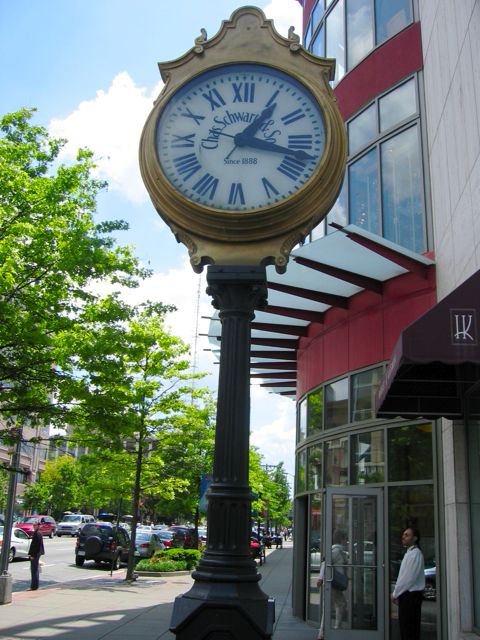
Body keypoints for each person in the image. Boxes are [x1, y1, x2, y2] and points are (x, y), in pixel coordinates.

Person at [391, 527, 425, 640]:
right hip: (407, 595)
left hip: (411, 596)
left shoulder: (415, 554)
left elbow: (408, 578)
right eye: (404, 534)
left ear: (415, 538)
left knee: (409, 629)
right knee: (407, 628)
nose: (403, 536)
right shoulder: (410, 553)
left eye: (407, 535)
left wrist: (395, 593)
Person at [316, 530, 348, 639]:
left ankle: (324, 632)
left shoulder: (338, 550)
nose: (347, 541)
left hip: (332, 582)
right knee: (340, 604)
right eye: (345, 538)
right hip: (332, 583)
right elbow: (326, 563)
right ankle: (332, 629)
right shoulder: (337, 551)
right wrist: (320, 578)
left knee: (335, 605)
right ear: (341, 539)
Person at [28, 520, 45, 590]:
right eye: (33, 525)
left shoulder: (37, 533)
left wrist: (32, 555)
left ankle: (34, 586)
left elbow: (36, 546)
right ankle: (34, 586)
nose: (34, 527)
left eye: (35, 525)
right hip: (36, 554)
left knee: (34, 570)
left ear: (38, 526)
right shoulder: (37, 533)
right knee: (35, 569)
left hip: (35, 554)